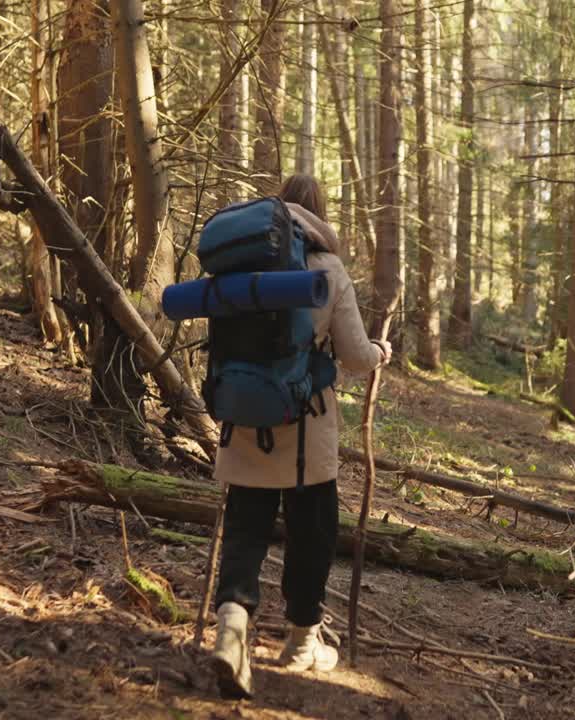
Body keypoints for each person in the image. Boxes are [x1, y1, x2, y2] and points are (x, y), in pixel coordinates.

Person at [208, 175, 391, 698]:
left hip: (243, 419)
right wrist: (381, 353)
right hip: (305, 429)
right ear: (318, 215)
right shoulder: (328, 269)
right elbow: (355, 357)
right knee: (313, 533)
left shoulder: (241, 267)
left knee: (245, 530)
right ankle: (302, 641)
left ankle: (231, 625)